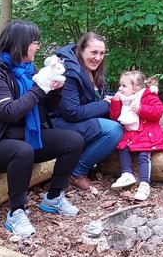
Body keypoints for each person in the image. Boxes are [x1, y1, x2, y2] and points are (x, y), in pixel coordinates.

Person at [0, 20, 85, 238]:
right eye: (34, 42)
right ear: (20, 44)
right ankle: (16, 212)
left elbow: (45, 109)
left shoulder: (28, 70)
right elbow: (9, 112)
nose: (37, 46)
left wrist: (54, 89)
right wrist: (39, 88)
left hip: (24, 135)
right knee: (22, 151)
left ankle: (54, 197)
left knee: (73, 140)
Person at [51, 32, 124, 190]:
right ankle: (77, 172)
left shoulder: (93, 69)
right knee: (114, 130)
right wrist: (107, 105)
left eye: (102, 53)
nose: (98, 57)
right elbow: (71, 112)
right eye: (93, 52)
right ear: (81, 50)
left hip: (79, 121)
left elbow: (99, 97)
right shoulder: (68, 72)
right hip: (58, 124)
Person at [109, 71, 163, 201]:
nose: (120, 88)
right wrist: (115, 103)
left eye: (124, 86)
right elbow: (116, 117)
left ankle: (145, 183)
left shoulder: (148, 95)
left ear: (136, 88)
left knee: (143, 155)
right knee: (122, 148)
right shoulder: (124, 99)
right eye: (120, 85)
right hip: (130, 134)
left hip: (146, 133)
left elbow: (158, 112)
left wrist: (141, 109)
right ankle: (127, 173)